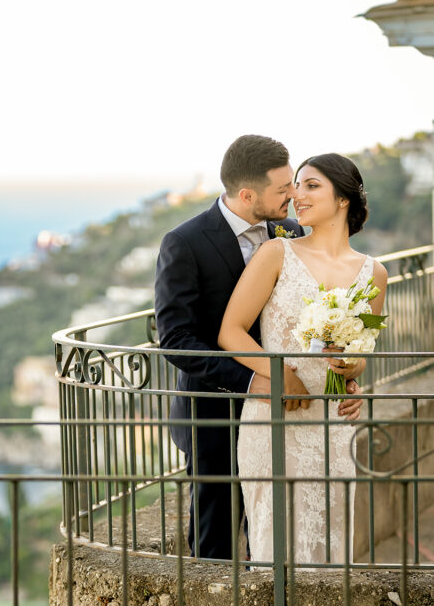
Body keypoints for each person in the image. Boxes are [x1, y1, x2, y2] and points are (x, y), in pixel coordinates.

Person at [218, 153, 387, 564]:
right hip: (274, 418)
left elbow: (361, 354)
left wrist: (349, 372)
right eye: (296, 185)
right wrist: (278, 374)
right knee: (274, 547)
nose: (298, 195)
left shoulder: (374, 273)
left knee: (332, 547)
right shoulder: (277, 253)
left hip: (333, 424)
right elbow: (231, 331)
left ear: (344, 199)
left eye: (312, 185)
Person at [155, 135, 316, 559]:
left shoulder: (291, 233)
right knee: (217, 539)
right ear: (248, 195)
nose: (293, 196)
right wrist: (251, 380)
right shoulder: (184, 242)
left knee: (281, 524)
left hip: (286, 407)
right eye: (284, 190)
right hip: (213, 412)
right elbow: (176, 339)